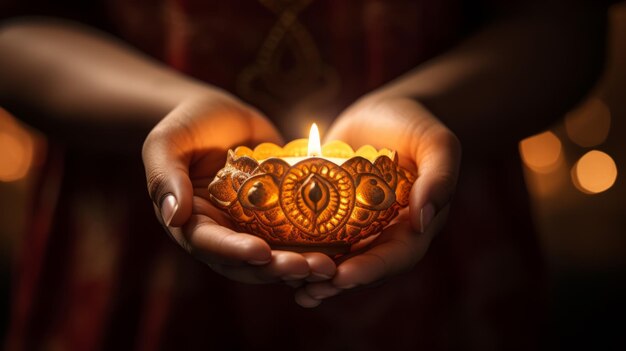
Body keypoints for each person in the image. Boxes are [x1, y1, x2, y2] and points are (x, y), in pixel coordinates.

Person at [0, 0, 611, 349]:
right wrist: (162, 111)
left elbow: (568, 22)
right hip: (132, 248)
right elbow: (16, 25)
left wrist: (435, 110)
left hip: (444, 234)